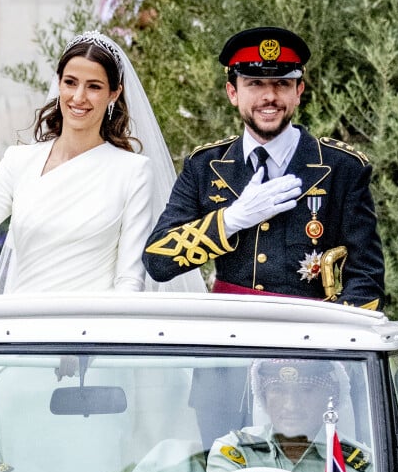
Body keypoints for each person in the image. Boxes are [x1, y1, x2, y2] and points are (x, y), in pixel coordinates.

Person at [0, 31, 205, 295]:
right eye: (71, 82)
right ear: (58, 83)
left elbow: (129, 280)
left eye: (94, 86)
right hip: (20, 327)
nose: (79, 96)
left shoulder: (134, 171)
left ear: (114, 93)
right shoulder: (19, 161)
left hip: (88, 330)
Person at [143, 26, 385, 310]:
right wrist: (231, 219)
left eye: (282, 83)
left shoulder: (342, 168)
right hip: (231, 332)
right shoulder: (206, 165)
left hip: (310, 336)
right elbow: (157, 261)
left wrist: (328, 338)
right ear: (233, 92)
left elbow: (367, 281)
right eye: (255, 83)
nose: (269, 96)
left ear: (299, 91)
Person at [206, 358, 375, 472]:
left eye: (306, 391)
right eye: (277, 390)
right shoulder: (236, 446)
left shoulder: (364, 466)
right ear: (263, 396)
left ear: (330, 398)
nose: (291, 406)